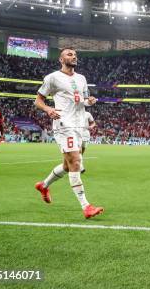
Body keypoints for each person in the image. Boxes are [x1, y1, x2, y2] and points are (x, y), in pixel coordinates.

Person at [33, 48, 103, 219]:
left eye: (75, 54)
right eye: (69, 54)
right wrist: (48, 109)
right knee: (76, 161)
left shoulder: (82, 78)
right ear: (61, 59)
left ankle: (44, 185)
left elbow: (83, 100)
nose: (74, 56)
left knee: (67, 165)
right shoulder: (53, 78)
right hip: (64, 124)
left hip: (80, 125)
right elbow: (38, 100)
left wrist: (90, 101)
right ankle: (86, 206)